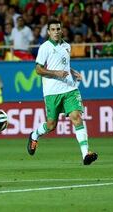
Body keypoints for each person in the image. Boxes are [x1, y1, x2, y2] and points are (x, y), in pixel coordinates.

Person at [27, 19, 98, 165]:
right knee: (51, 125)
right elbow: (38, 69)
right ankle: (34, 135)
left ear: (61, 30)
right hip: (52, 92)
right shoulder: (44, 48)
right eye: (53, 29)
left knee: (76, 116)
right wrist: (56, 74)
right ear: (48, 32)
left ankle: (86, 154)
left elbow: (64, 65)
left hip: (69, 88)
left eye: (58, 29)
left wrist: (72, 71)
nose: (56, 32)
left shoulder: (66, 46)